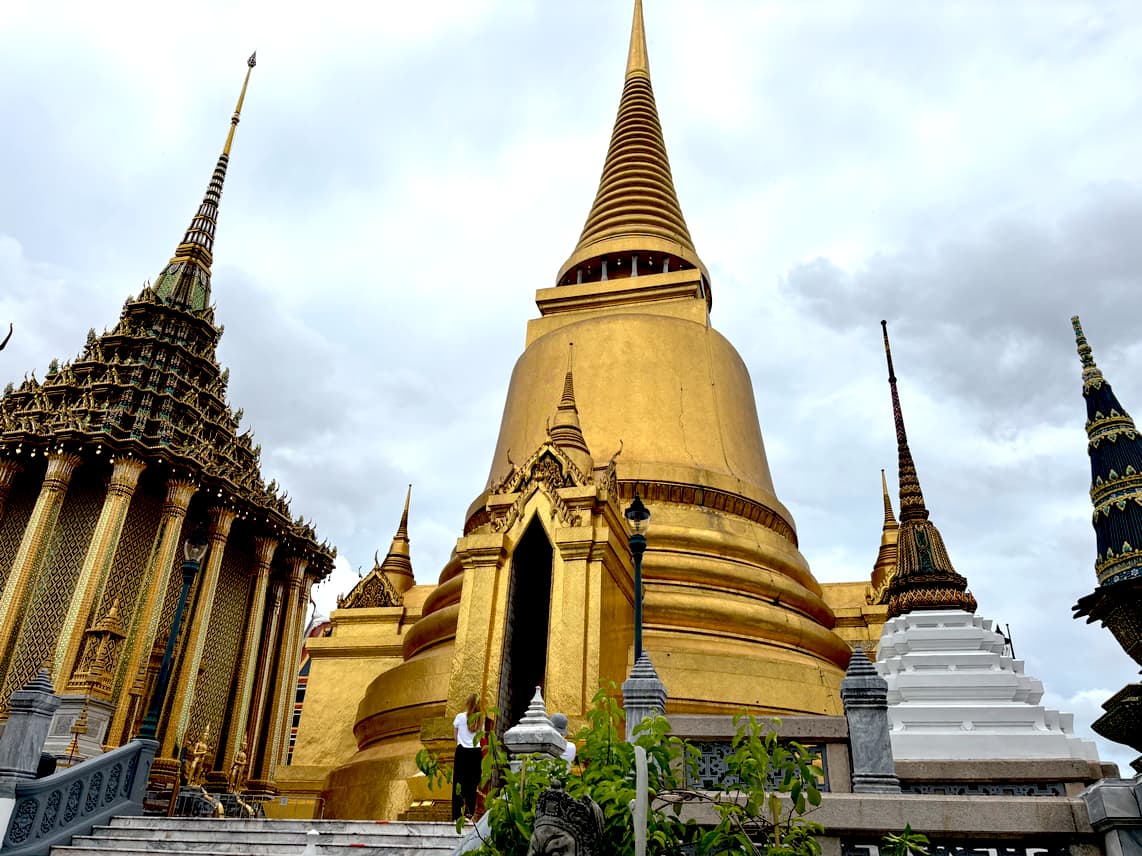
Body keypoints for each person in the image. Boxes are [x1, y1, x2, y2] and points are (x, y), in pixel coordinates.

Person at [452, 693, 481, 820]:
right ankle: (469, 814)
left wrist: (460, 744)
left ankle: (457, 815)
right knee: (472, 784)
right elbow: (481, 737)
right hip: (475, 753)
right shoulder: (480, 719)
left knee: (458, 783)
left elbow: (455, 735)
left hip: (462, 752)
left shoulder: (460, 717)